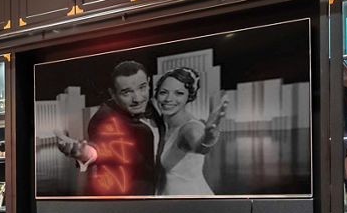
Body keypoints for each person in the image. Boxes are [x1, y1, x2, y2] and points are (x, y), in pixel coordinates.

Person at [55, 60, 162, 195]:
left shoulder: (156, 106)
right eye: (127, 92)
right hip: (130, 205)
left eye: (142, 87)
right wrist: (85, 153)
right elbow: (99, 147)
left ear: (148, 82)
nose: (138, 98)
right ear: (113, 93)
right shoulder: (104, 118)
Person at [154, 66, 228, 196]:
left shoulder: (191, 128)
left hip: (190, 203)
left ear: (189, 96)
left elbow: (199, 146)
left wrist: (208, 138)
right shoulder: (161, 125)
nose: (168, 99)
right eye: (163, 92)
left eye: (179, 93)